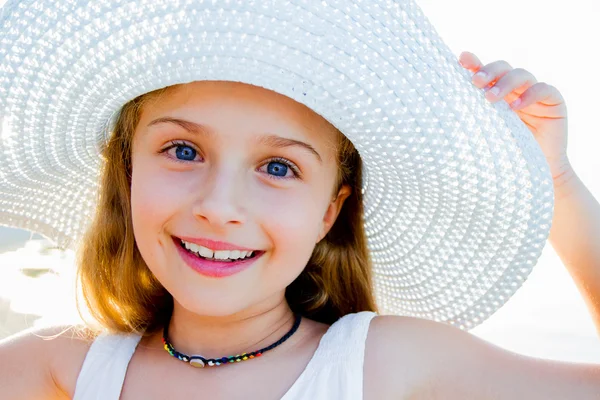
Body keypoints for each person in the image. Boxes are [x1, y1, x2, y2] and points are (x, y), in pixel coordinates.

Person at [0, 0, 599, 398]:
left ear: (329, 212)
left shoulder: (379, 363)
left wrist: (556, 186)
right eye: (183, 151)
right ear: (127, 172)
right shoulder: (61, 368)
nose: (219, 204)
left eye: (279, 166)